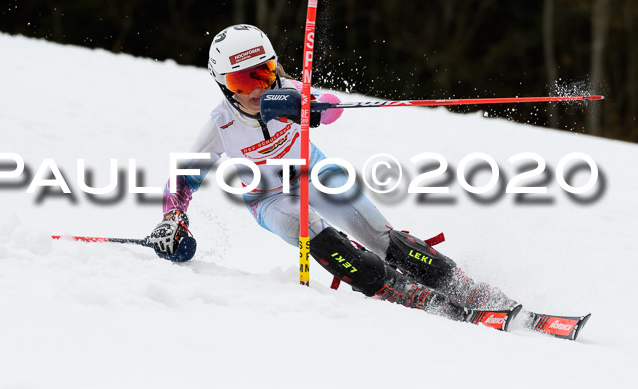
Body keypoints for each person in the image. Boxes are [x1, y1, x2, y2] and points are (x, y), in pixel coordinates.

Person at [149, 24, 517, 325]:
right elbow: (182, 178)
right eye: (241, 83)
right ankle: (393, 288)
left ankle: (457, 283)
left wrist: (305, 109)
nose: (258, 89)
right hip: (268, 197)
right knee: (307, 228)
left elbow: (334, 108)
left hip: (316, 173)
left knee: (376, 232)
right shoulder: (221, 125)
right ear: (222, 84)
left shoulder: (291, 91)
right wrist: (173, 216)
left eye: (263, 73)